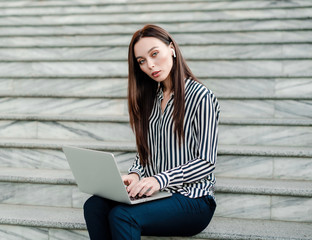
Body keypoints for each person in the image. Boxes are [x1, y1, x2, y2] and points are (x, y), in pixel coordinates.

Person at [83, 24, 220, 240]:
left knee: (122, 216)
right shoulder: (152, 100)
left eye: (154, 54)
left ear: (172, 48)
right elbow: (147, 153)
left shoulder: (201, 97)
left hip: (194, 199)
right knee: (94, 206)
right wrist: (136, 174)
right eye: (142, 61)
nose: (150, 65)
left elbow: (206, 162)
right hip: (159, 194)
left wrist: (160, 179)